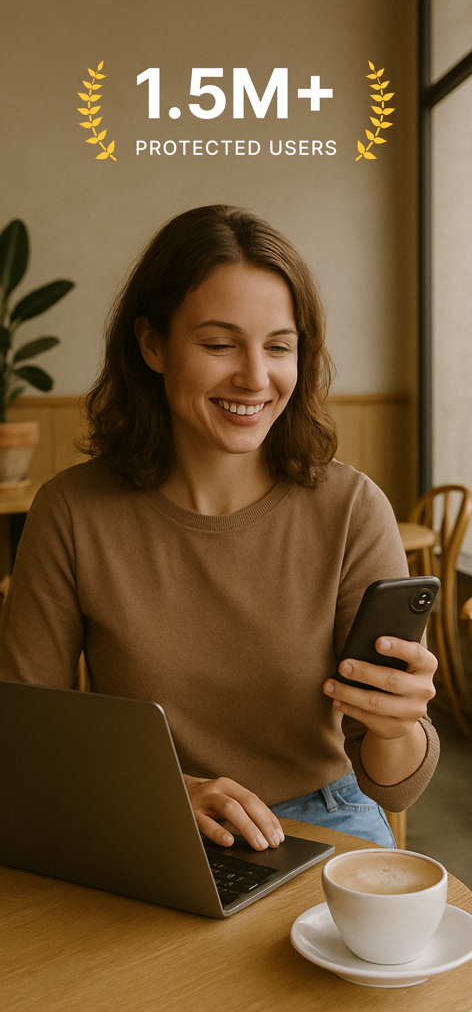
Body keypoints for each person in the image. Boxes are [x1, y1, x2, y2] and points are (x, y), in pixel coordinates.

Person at [0, 204, 439, 851]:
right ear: (152, 344)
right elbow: (25, 735)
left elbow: (393, 787)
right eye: (218, 344)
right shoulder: (71, 511)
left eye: (279, 346)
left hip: (322, 814)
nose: (255, 378)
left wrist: (400, 726)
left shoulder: (350, 508)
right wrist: (167, 791)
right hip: (141, 814)